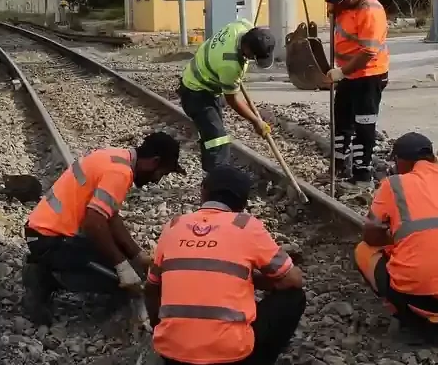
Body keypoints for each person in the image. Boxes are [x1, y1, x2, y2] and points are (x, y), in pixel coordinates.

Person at [145, 165, 306, 365]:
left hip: (173, 356)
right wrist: (250, 279)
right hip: (230, 358)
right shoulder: (245, 226)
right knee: (293, 297)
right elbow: (293, 280)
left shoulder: (173, 226)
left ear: (203, 192)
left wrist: (160, 328)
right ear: (243, 204)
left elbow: (151, 287)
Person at [22, 132, 187, 325]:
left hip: (47, 232)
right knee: (119, 279)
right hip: (49, 240)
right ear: (153, 161)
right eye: (162, 173)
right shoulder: (120, 173)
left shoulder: (115, 157)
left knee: (126, 264)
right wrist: (121, 265)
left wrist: (137, 254)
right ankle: (45, 278)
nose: (157, 180)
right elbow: (93, 223)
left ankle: (54, 267)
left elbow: (110, 217)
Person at [355, 132, 438, 344]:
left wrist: (394, 237)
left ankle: (413, 321)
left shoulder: (394, 184)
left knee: (363, 251)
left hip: (420, 300)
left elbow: (370, 235)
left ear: (401, 161)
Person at [177, 19, 277, 171]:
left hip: (203, 81)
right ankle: (218, 180)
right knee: (218, 139)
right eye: (253, 56)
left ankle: (211, 174)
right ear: (247, 49)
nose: (251, 60)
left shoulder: (242, 27)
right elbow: (233, 100)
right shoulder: (230, 64)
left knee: (211, 135)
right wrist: (256, 121)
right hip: (196, 92)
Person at [324, 0, 390, 185]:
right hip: (348, 75)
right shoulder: (345, 4)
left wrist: (342, 72)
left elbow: (368, 52)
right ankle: (338, 166)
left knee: (364, 125)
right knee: (341, 120)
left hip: (369, 75)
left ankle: (362, 175)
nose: (339, 3)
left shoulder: (371, 12)